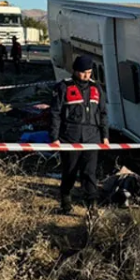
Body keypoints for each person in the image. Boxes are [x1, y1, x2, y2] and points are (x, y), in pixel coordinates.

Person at [50, 55, 110, 214]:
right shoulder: (63, 87)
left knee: (89, 172)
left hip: (92, 137)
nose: (86, 76)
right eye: (83, 72)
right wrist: (54, 137)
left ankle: (92, 206)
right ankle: (66, 200)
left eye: (89, 72)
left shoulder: (96, 88)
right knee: (70, 171)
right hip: (70, 137)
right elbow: (55, 113)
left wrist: (105, 135)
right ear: (75, 71)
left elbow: (103, 113)